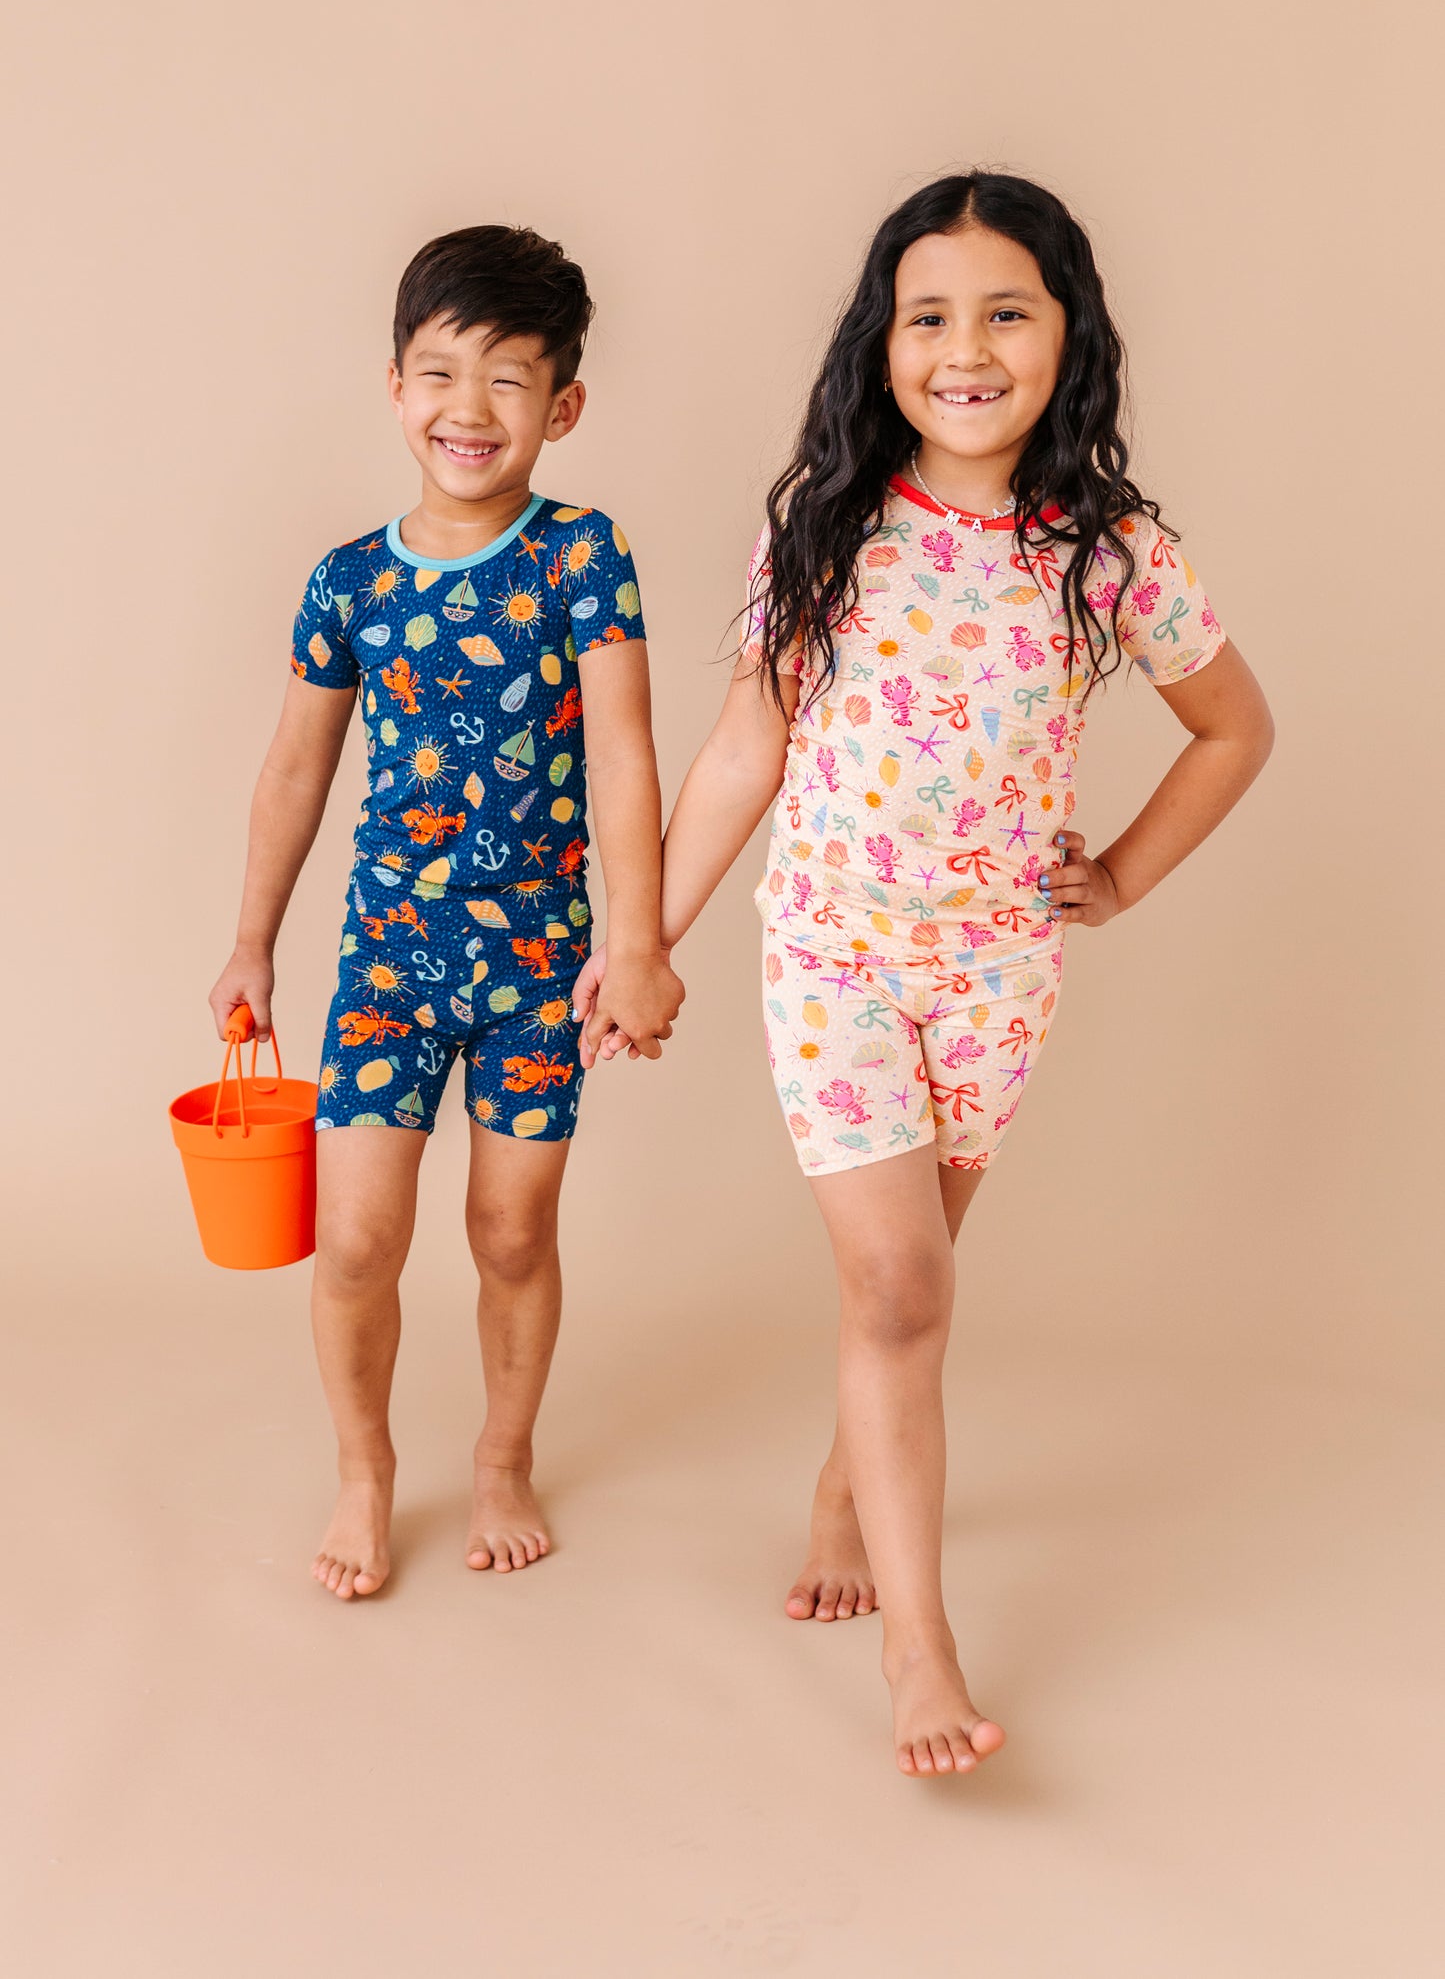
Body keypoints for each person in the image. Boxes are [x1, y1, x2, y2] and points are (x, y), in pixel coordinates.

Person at [575, 172, 1273, 1776]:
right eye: (928, 317)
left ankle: (846, 1485)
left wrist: (1116, 875)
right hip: (833, 957)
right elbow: (744, 750)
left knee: (911, 1290)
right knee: (899, 1289)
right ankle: (919, 1644)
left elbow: (1234, 728)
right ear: (879, 346)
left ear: (1066, 334)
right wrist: (644, 939)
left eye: (1004, 313)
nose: (965, 350)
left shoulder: (1111, 553)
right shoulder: (825, 526)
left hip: (995, 980)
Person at [210, 225, 683, 1599]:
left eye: (509, 379)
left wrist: (637, 944)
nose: (469, 409)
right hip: (389, 962)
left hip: (542, 963)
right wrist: (251, 940)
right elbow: (294, 769)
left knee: (511, 1232)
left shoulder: (582, 556)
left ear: (563, 407)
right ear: (395, 386)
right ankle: (364, 1471)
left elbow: (624, 755)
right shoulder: (349, 581)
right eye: (439, 372)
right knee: (358, 1239)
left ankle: (502, 1456)